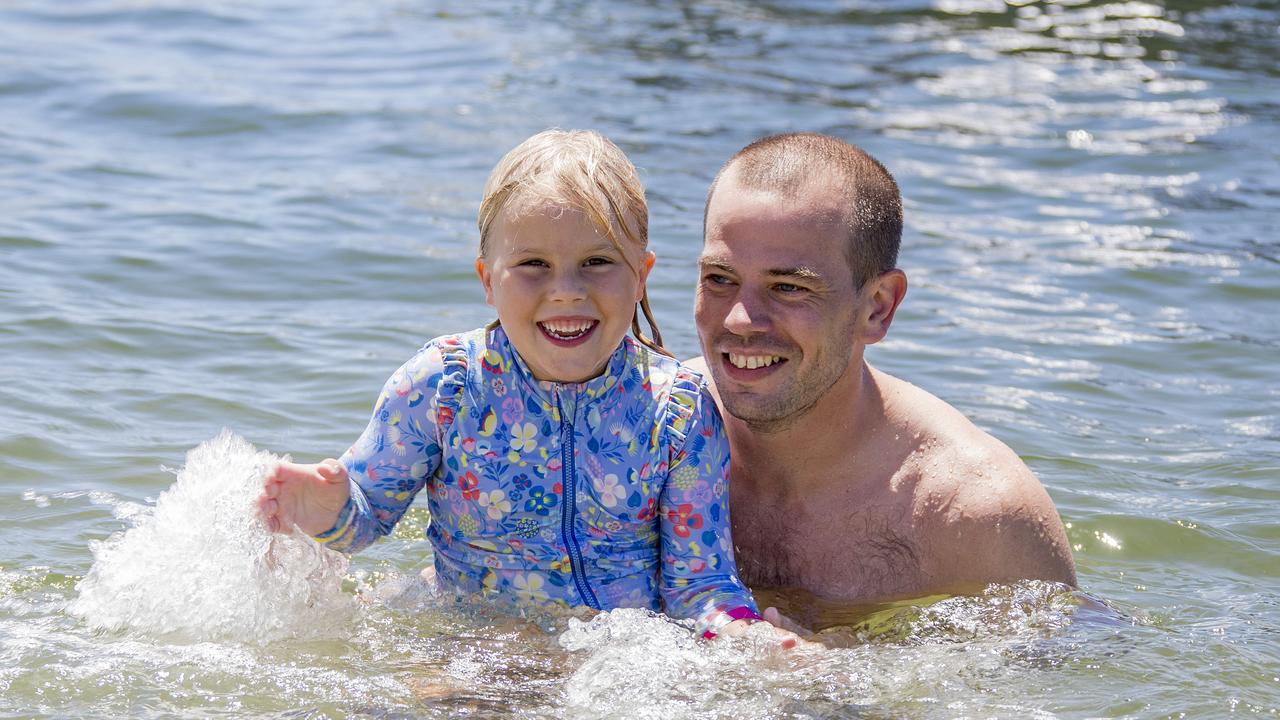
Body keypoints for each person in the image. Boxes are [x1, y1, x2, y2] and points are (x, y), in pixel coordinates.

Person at [259, 129, 792, 644]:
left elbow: (699, 585)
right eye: (533, 264)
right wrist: (326, 508)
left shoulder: (677, 412)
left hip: (608, 664)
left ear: (641, 277)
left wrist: (744, 637)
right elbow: (365, 519)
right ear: (488, 280)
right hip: (471, 648)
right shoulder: (443, 389)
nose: (566, 291)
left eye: (597, 262)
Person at [688, 132, 1077, 631]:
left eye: (788, 287)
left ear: (878, 308)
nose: (741, 320)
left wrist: (849, 683)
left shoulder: (974, 515)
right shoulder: (649, 434)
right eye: (719, 279)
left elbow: (1050, 687)